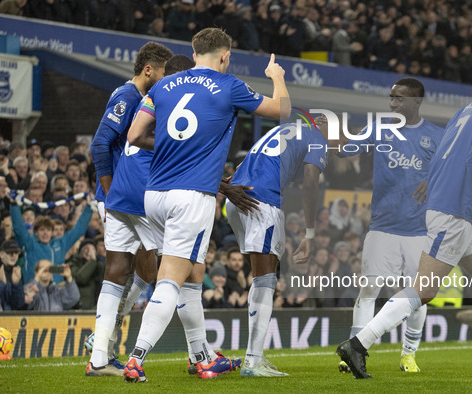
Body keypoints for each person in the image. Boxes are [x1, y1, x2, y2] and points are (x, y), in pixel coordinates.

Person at [337, 58, 472, 379]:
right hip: (456, 211)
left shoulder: (468, 109)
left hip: (448, 206)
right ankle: (358, 344)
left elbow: (446, 151)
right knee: (423, 291)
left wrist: (431, 183)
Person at [123, 27, 289, 382]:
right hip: (192, 197)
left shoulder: (163, 86)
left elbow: (135, 135)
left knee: (193, 276)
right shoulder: (229, 86)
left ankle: (202, 357)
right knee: (171, 278)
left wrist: (168, 146)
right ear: (225, 56)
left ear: (193, 53)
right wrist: (276, 77)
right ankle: (137, 358)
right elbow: (281, 109)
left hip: (154, 195)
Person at [337, 78, 444, 374]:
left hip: (419, 231)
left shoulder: (436, 136)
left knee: (418, 296)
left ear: (416, 102)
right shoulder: (379, 128)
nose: (393, 103)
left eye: (399, 99)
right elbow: (346, 149)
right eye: (391, 97)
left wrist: (431, 180)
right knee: (368, 290)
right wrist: (334, 138)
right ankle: (353, 352)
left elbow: (452, 174)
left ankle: (408, 354)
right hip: (382, 227)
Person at [226, 114, 334, 376]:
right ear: (324, 126)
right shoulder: (317, 140)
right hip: (260, 201)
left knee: (261, 278)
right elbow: (310, 182)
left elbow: (245, 161)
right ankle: (252, 362)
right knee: (266, 281)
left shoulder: (286, 131)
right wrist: (310, 232)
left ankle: (255, 356)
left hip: (236, 199)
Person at [87, 41, 172, 376]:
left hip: (125, 193)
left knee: (134, 268)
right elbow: (99, 144)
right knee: (152, 265)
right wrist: (109, 193)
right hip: (120, 193)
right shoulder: (128, 97)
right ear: (148, 70)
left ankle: (102, 347)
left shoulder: (140, 98)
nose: (166, 81)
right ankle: (106, 336)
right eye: (163, 73)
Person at [0, 244, 24, 311]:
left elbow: (18, 304)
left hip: (6, 320)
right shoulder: (2, 281)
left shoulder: (5, 279)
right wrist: (1, 284)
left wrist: (16, 285)